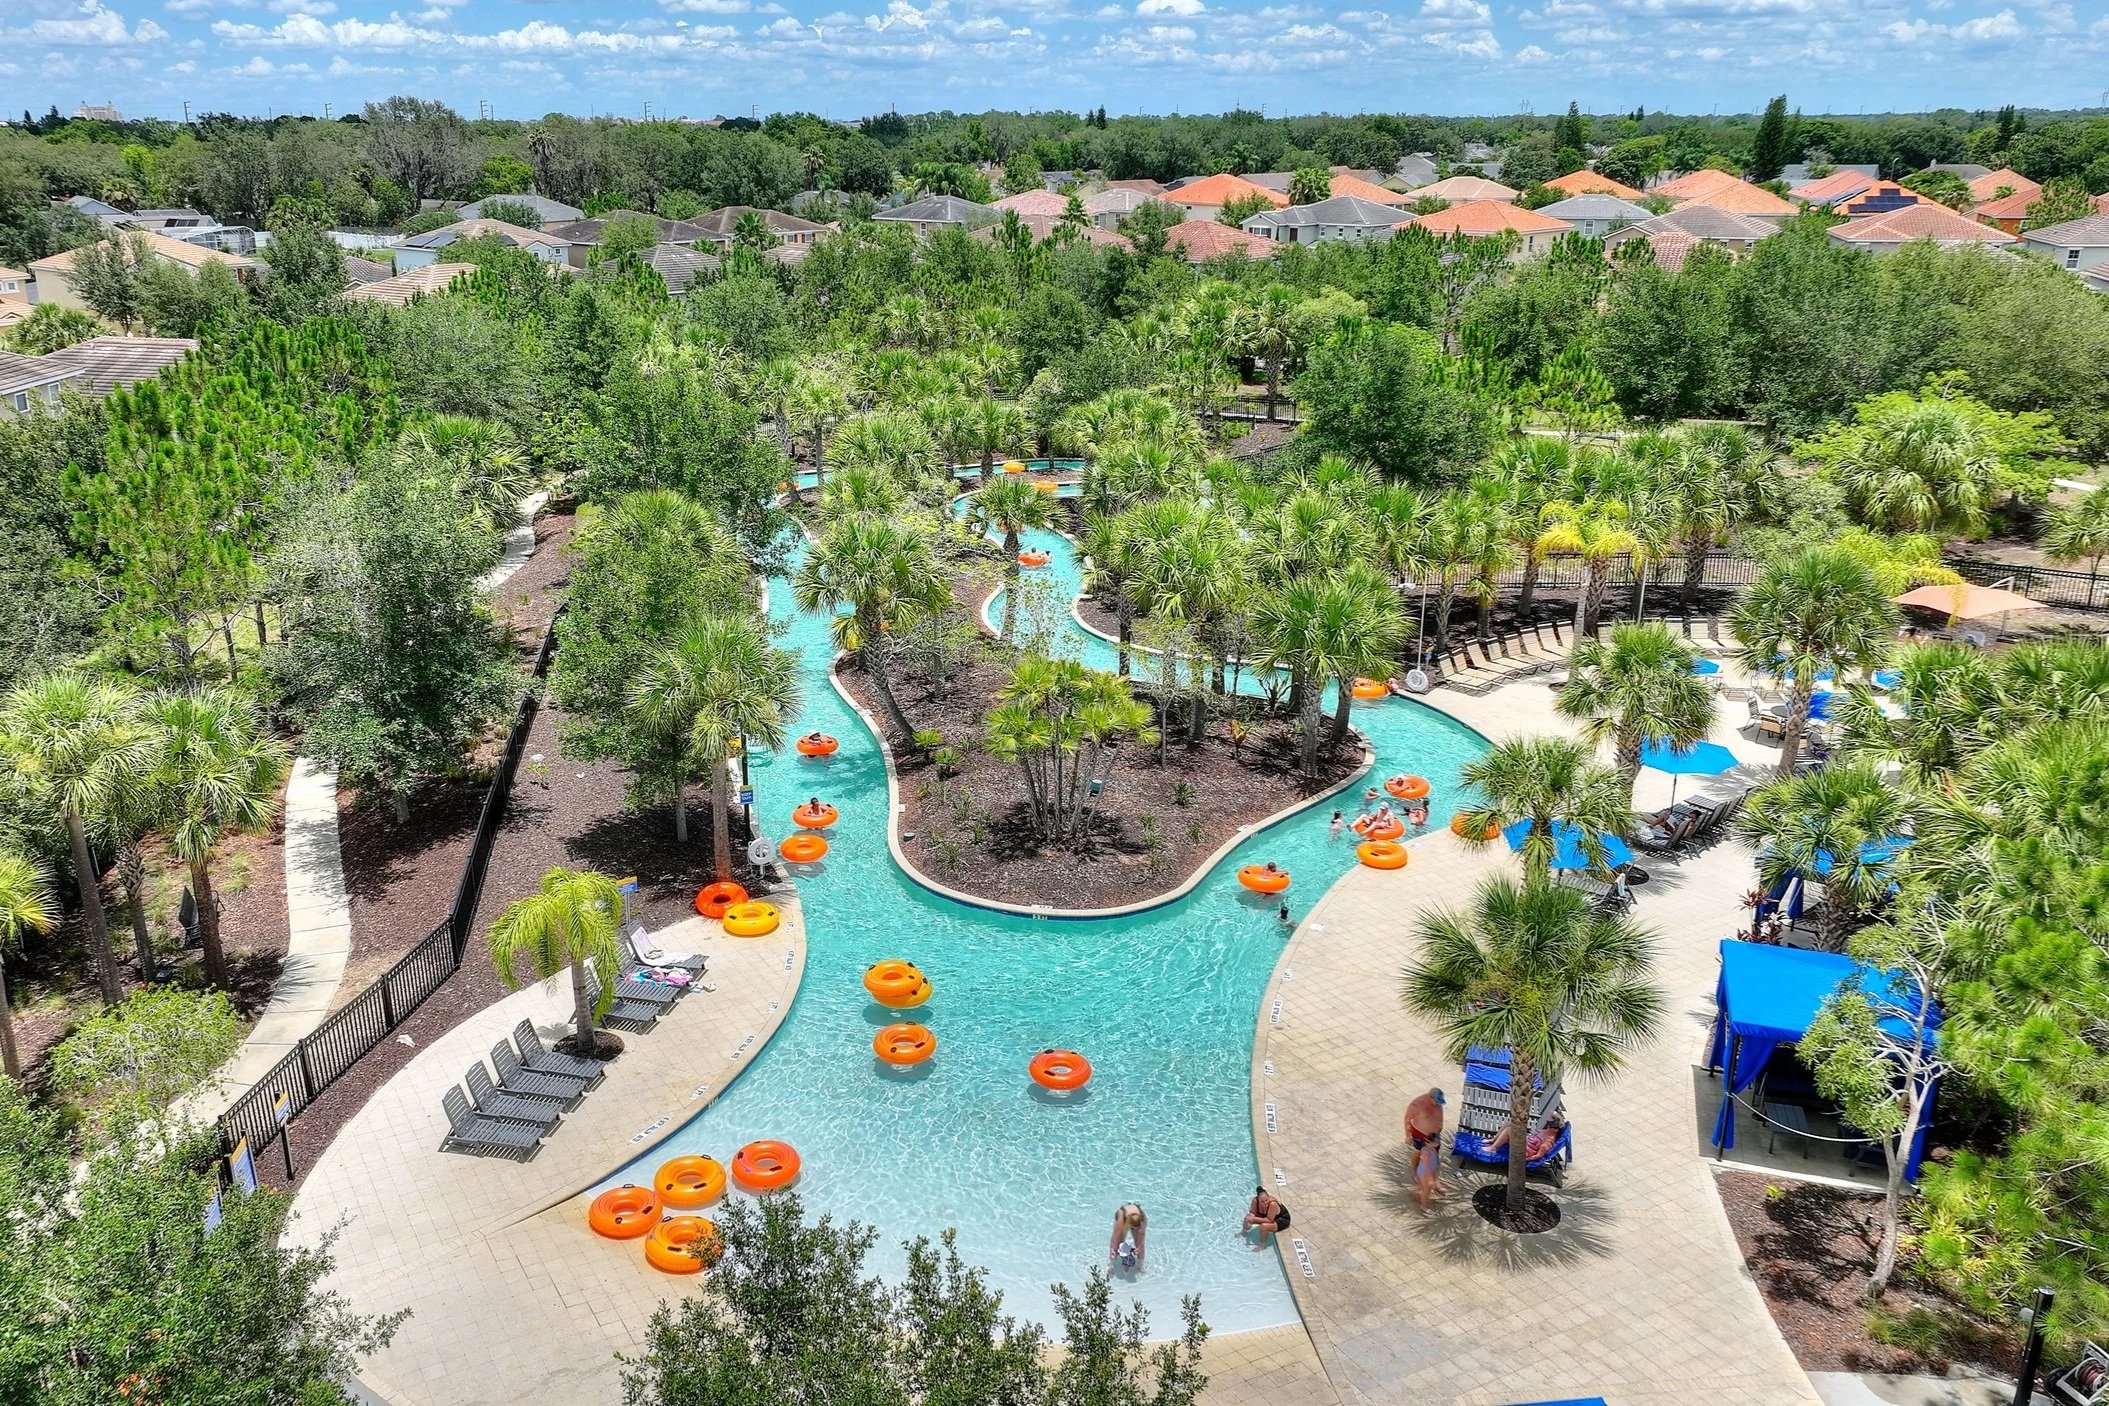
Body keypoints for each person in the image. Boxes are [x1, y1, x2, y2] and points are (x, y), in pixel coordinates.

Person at [1404, 1088, 1447, 1212]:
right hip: (1420, 1134)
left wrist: (1438, 1132)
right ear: (1430, 1097)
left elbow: (1440, 1119)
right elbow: (1407, 1119)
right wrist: (1408, 1134)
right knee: (1418, 1154)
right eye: (1436, 1101)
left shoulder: (1439, 1105)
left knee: (1435, 1159)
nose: (1438, 1104)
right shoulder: (1417, 1104)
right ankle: (1415, 1172)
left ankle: (1432, 1183)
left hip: (1434, 1136)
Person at [1489, 1111, 1566, 1162]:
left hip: (1523, 1151)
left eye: (1550, 1126)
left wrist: (1524, 1160)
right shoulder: (1547, 1131)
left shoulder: (1549, 1141)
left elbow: (1538, 1156)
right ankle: (1494, 1140)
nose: (1547, 1126)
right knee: (1511, 1123)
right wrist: (1561, 1119)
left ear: (1555, 1129)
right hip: (1524, 1142)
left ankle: (1493, 1148)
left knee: (1510, 1130)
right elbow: (1551, 1112)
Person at [1108, 1202, 1146, 1271]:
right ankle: (1111, 1266)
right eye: (1133, 1228)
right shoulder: (1122, 1218)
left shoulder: (1142, 1219)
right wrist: (1112, 1248)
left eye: (1136, 1228)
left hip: (1136, 1216)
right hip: (1124, 1213)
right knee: (1116, 1246)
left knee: (1140, 1247)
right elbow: (1115, 1235)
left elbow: (1142, 1237)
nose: (1134, 1230)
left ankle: (1140, 1267)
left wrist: (1139, 1247)